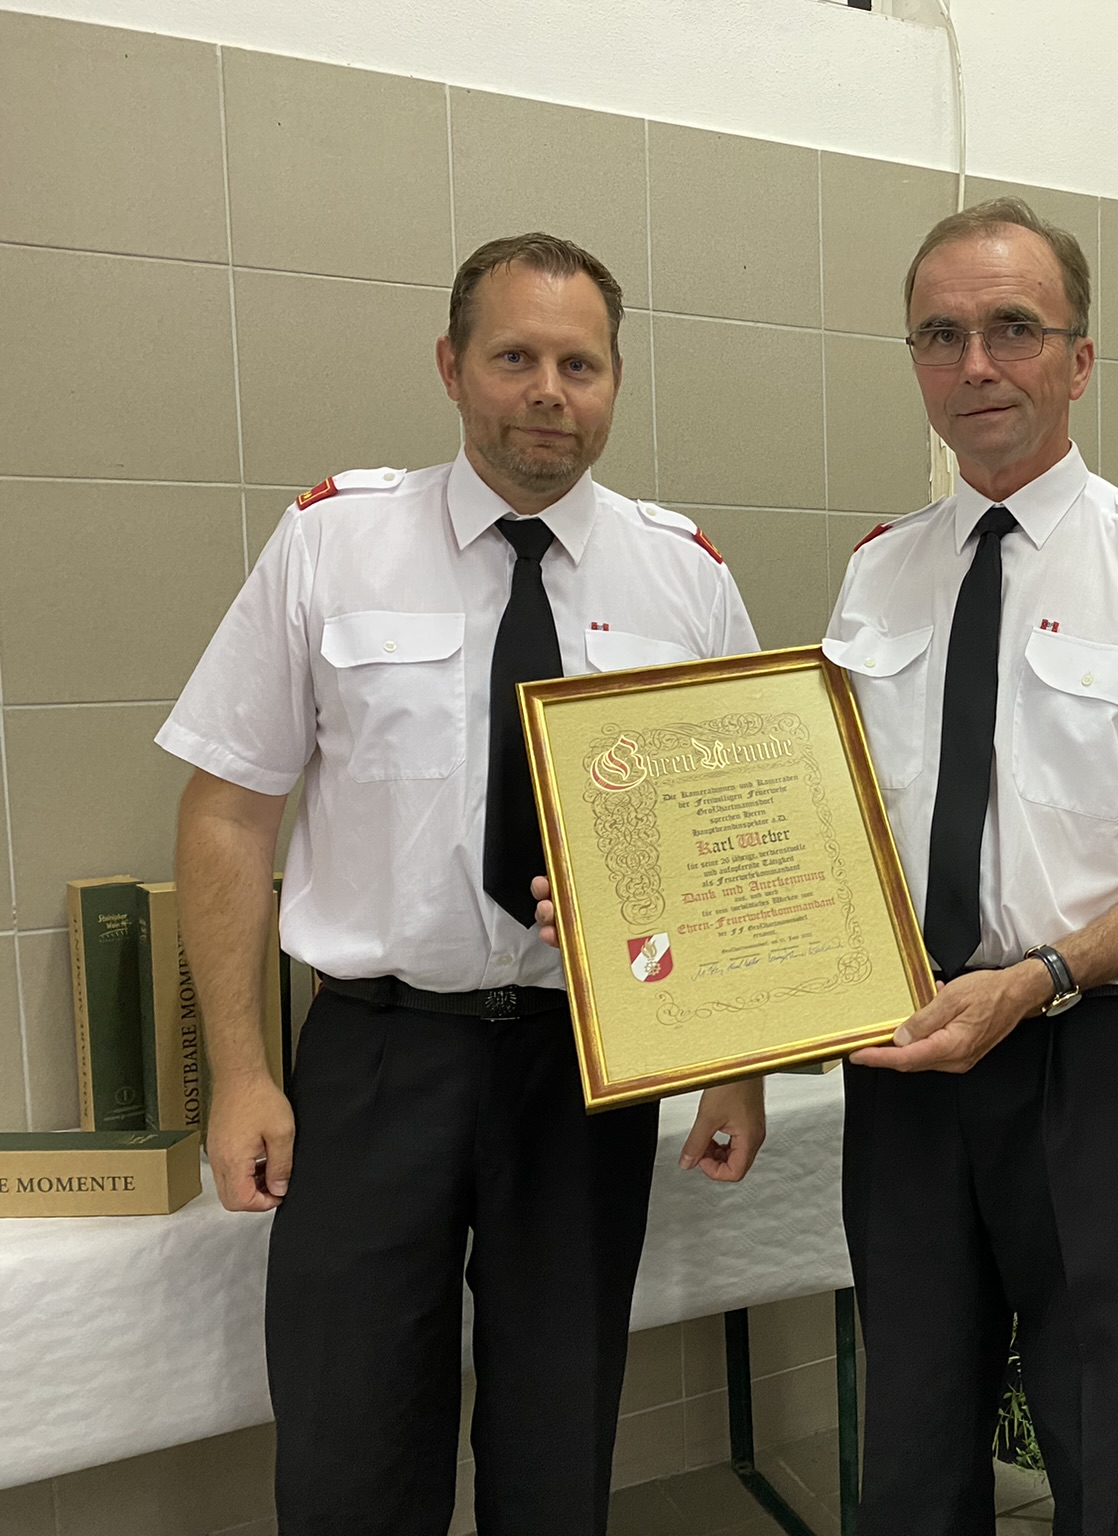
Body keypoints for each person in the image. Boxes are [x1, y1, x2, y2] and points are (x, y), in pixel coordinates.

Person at [160, 233, 766, 1536]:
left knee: (557, 1452)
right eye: (514, 357)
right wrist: (243, 1073)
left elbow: (732, 847)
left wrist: (736, 1064)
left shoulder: (685, 577)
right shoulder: (335, 542)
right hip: (379, 1060)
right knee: (352, 1449)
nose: (548, 391)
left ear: (614, 383)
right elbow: (227, 811)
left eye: (580, 365)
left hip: (586, 1064)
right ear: (451, 366)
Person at [832, 197, 1118, 1534]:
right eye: (941, 335)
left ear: (1078, 359)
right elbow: (820, 832)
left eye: (1012, 329)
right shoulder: (876, 574)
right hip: (907, 1046)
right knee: (912, 1422)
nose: (975, 363)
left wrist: (1038, 977)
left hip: (1085, 1047)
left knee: (1096, 1421)